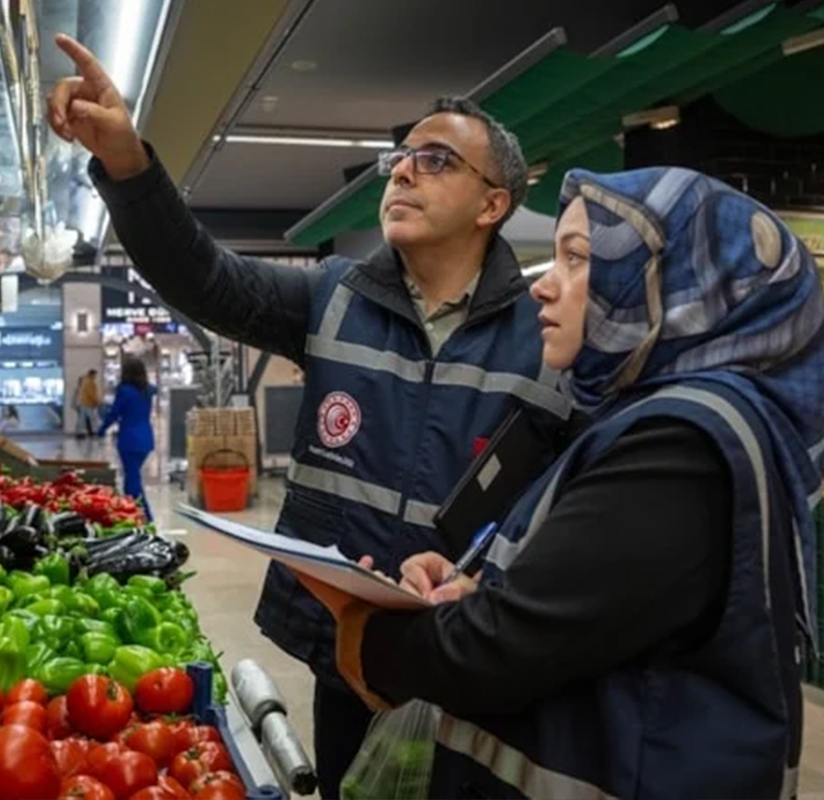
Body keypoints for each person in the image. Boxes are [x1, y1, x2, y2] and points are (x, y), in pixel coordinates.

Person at [47, 34, 571, 797]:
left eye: (436, 161)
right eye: (401, 158)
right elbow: (205, 277)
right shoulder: (335, 295)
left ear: (494, 204)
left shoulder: (545, 338)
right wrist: (128, 167)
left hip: (476, 659)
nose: (403, 173)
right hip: (349, 651)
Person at [299, 166, 824, 799]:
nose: (543, 289)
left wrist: (372, 636)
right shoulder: (650, 420)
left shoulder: (680, 448)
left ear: (680, 284)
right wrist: (478, 584)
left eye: (578, 260)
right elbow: (590, 609)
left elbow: (502, 649)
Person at [100, 358, 158, 521]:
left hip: (129, 439)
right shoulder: (148, 390)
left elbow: (115, 413)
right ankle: (132, 512)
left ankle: (143, 515)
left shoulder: (125, 391)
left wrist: (102, 429)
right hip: (146, 438)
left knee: (131, 480)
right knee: (132, 476)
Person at [79, 369, 102, 437]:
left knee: (83, 418)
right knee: (93, 418)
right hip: (88, 403)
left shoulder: (85, 381)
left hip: (83, 402)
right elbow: (91, 394)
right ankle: (96, 431)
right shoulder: (90, 382)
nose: (96, 376)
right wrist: (96, 401)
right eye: (95, 375)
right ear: (92, 374)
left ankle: (81, 432)